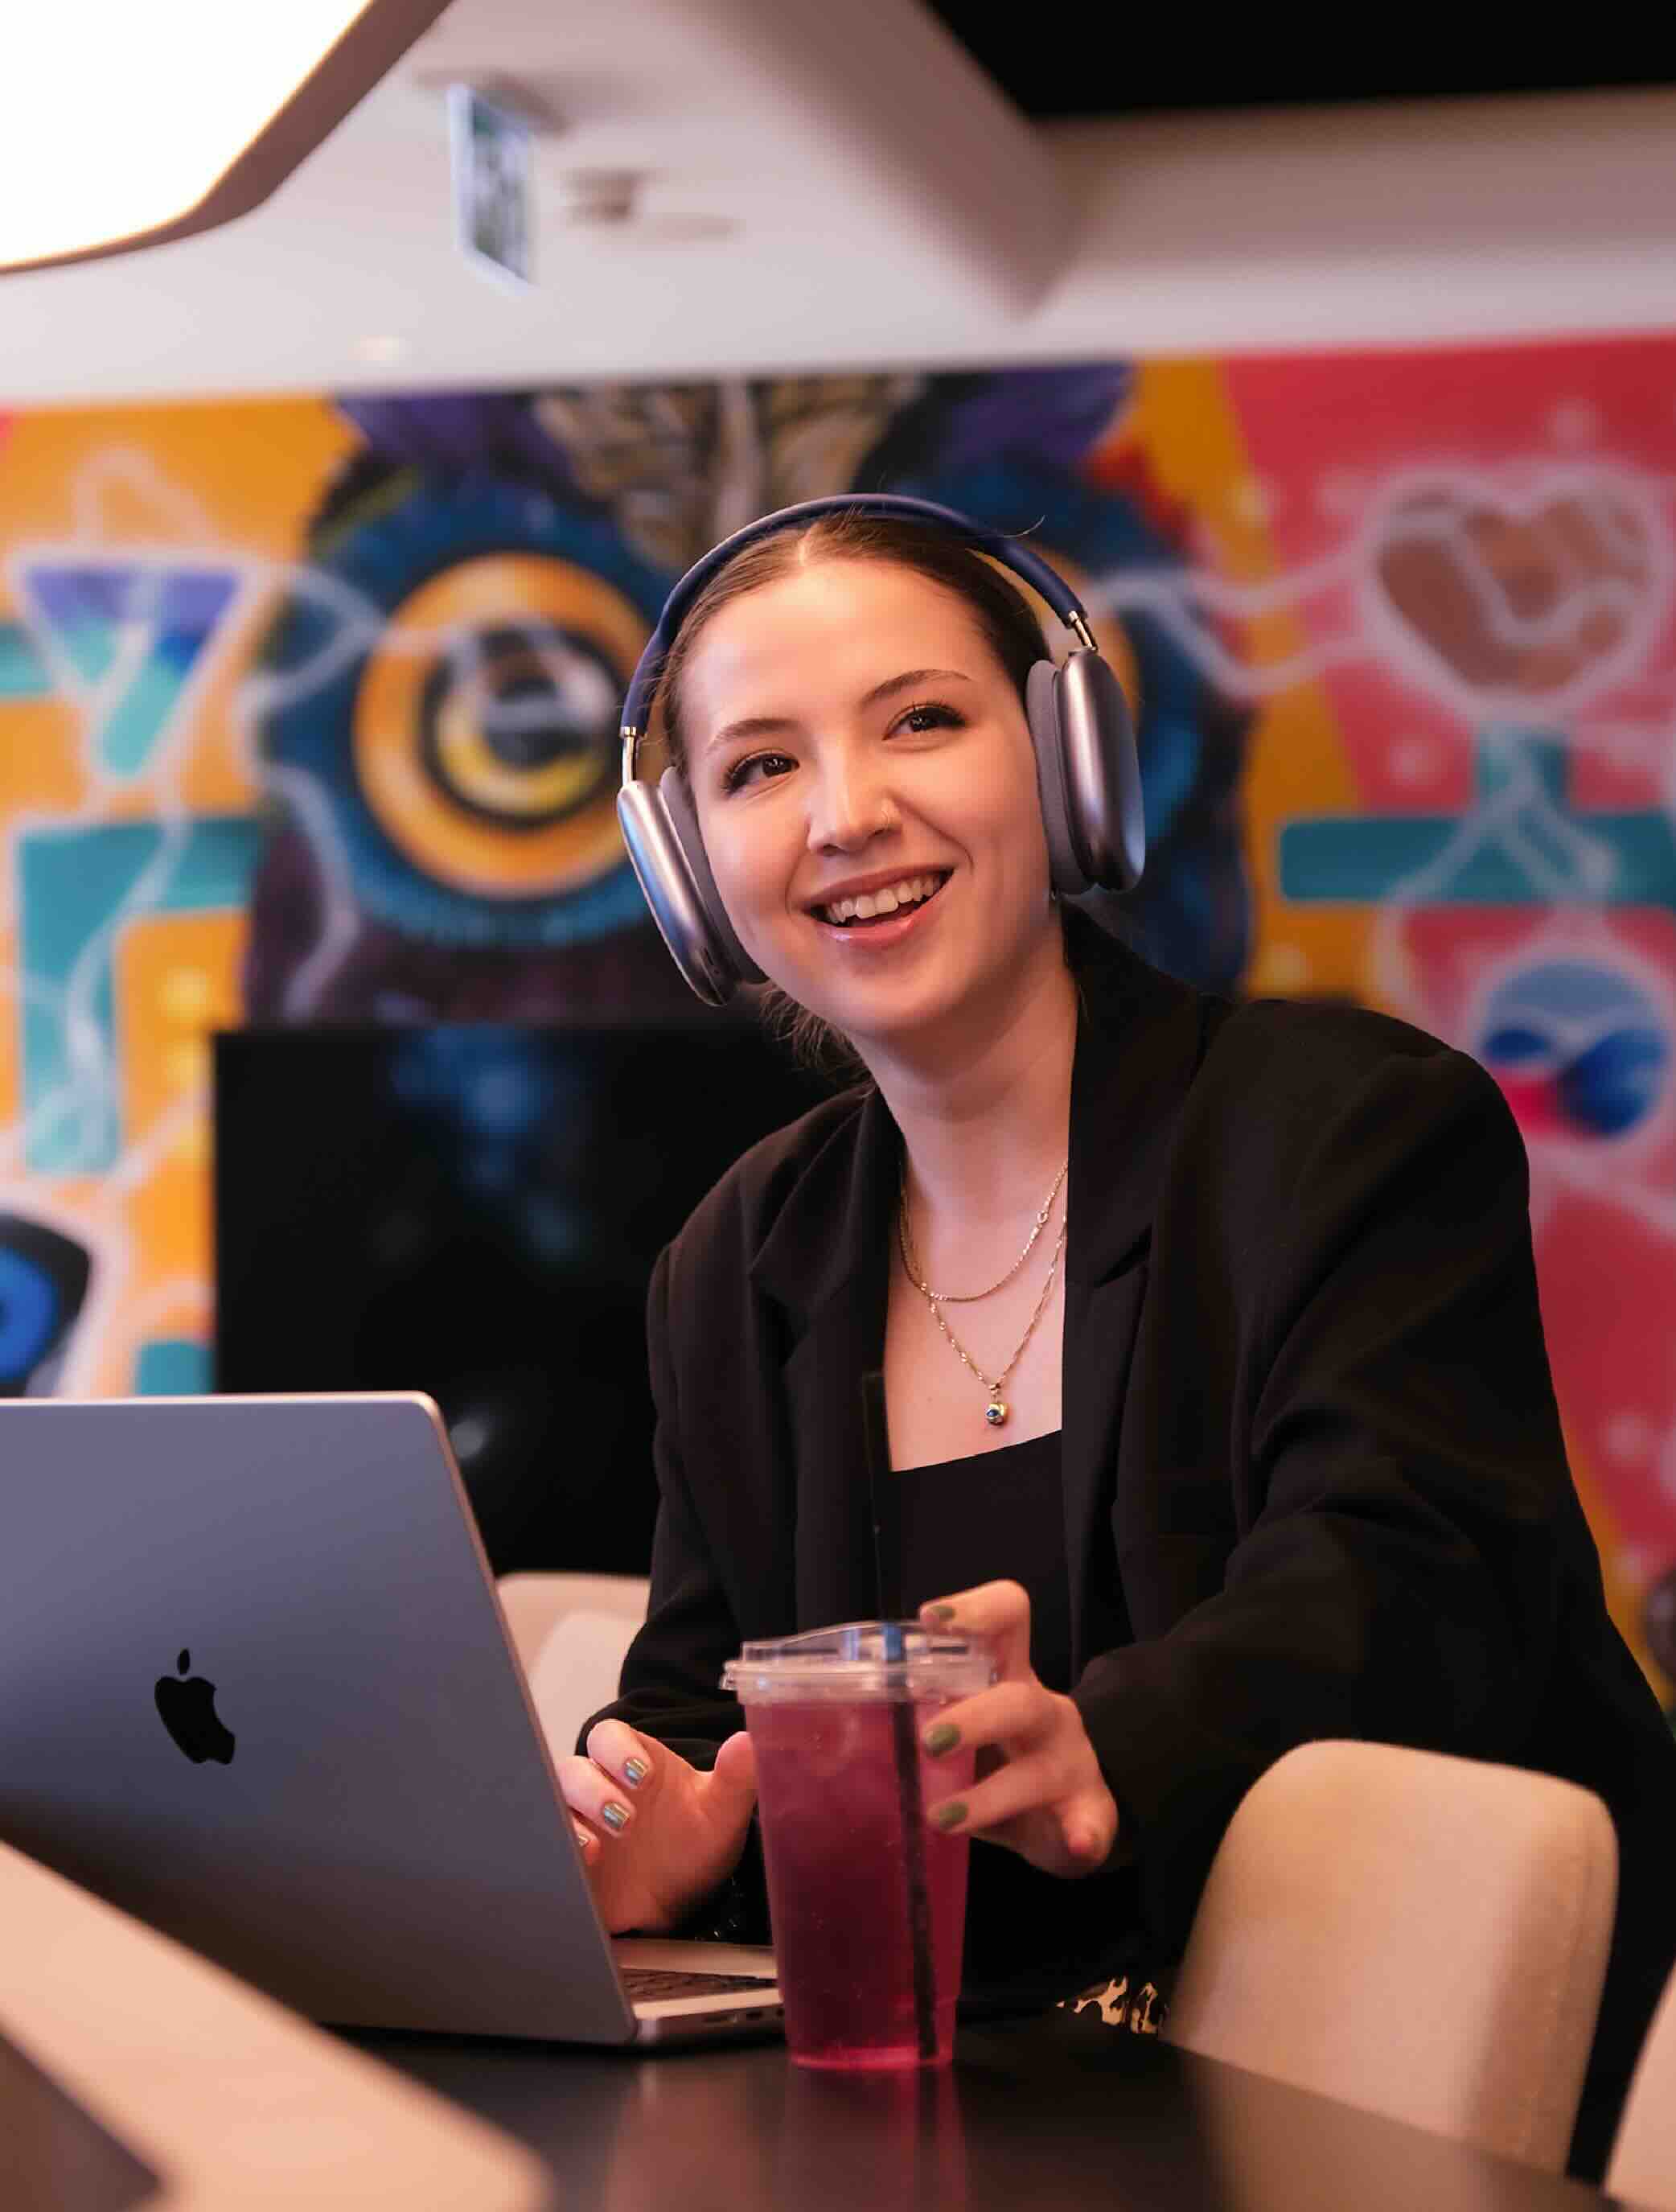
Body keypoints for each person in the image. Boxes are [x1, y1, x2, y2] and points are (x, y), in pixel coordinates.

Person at [557, 501, 1676, 2181]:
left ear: (1064, 760)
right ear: (690, 864)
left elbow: (1412, 1575)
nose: (848, 815)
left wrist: (1108, 1743)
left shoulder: (1345, 1127)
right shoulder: (737, 1258)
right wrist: (644, 1822)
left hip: (1384, 2108)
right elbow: (699, 1693)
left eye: (920, 718)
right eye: (759, 767)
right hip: (975, 2115)